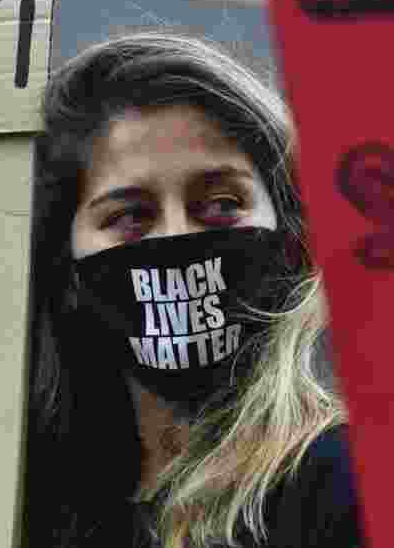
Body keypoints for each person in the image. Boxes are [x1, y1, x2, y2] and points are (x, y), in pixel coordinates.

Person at [22, 31, 364, 548]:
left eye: (222, 204)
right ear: (66, 268)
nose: (177, 237)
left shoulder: (350, 488)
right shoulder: (31, 507)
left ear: (290, 241)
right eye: (131, 215)